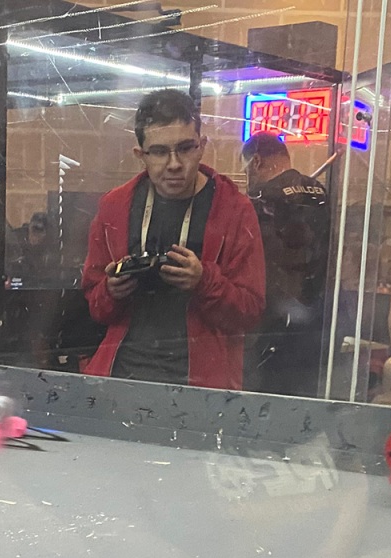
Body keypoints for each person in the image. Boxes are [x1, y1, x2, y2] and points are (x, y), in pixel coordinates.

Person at [80, 88, 265, 390]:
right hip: (120, 375)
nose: (174, 163)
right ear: (140, 155)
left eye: (185, 148)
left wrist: (204, 281)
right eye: (159, 151)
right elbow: (96, 307)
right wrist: (112, 289)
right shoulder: (114, 206)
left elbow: (250, 312)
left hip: (201, 386)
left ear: (202, 146)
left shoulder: (234, 209)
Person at [242, 133, 331, 397]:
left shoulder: (261, 198)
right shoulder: (321, 193)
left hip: (272, 318)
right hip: (315, 313)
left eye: (245, 170)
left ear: (256, 162)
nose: (247, 178)